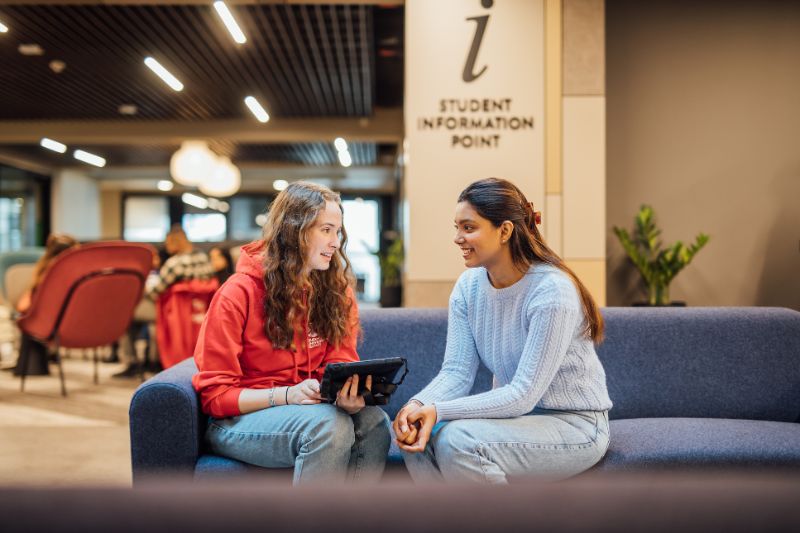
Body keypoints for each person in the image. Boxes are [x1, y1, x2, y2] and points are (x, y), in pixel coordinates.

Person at [393, 177, 612, 484]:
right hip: (516, 419)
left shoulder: (552, 291)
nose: (458, 237)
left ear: (505, 230)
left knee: (458, 439)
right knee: (416, 433)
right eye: (456, 227)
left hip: (575, 425)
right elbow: (456, 372)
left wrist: (438, 410)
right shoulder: (468, 288)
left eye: (469, 227)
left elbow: (522, 394)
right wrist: (416, 406)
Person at [192, 181, 391, 485]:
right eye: (326, 230)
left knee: (375, 422)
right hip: (236, 421)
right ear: (294, 231)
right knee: (327, 426)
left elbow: (338, 364)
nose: (335, 242)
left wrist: (347, 396)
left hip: (310, 409)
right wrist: (286, 395)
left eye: (337, 232)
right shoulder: (238, 293)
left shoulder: (337, 293)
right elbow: (215, 397)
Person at [13, 233, 79, 376]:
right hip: (76, 322)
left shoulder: (47, 273)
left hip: (49, 323)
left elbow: (23, 306)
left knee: (21, 316)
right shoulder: (83, 274)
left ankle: (27, 364)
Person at [146, 225, 214, 300]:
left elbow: (155, 291)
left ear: (176, 242)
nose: (166, 247)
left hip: (178, 308)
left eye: (167, 243)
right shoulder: (203, 257)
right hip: (202, 306)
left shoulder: (174, 263)